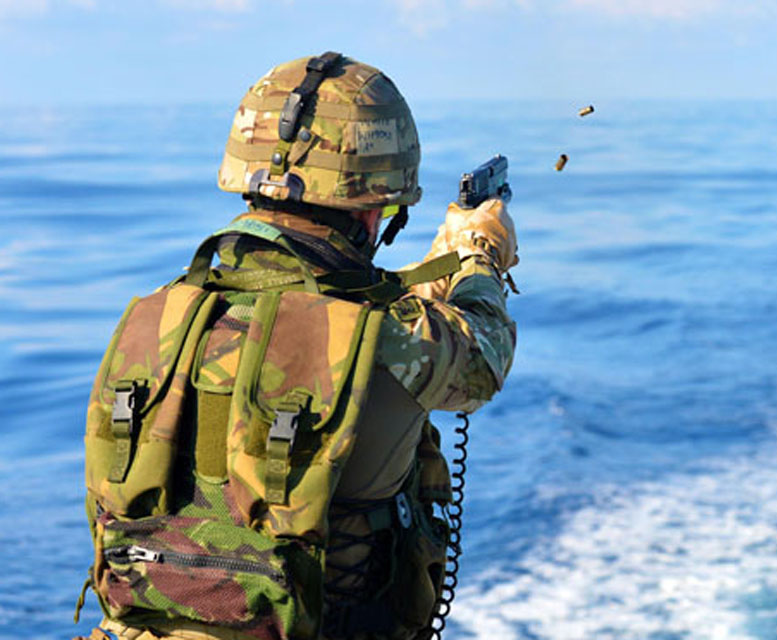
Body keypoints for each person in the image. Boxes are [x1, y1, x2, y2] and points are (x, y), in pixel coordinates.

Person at [76, 52, 518, 640]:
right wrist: (477, 257)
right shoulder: (388, 335)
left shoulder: (159, 314)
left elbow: (305, 305)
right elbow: (482, 358)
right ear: (374, 206)